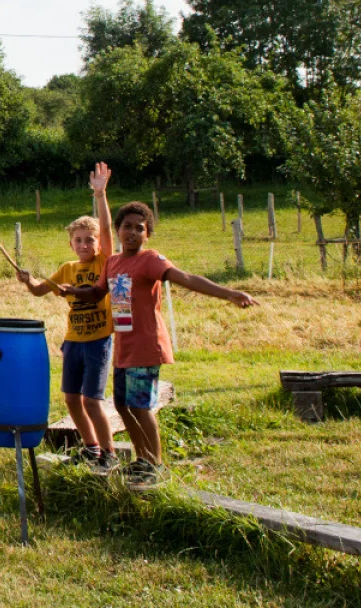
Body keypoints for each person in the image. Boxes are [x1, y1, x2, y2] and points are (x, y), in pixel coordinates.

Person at [94, 181, 258, 490]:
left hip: (146, 344)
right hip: (123, 346)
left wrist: (229, 294)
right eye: (127, 226)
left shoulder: (151, 260)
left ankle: (154, 464)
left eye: (139, 228)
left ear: (148, 234)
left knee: (140, 406)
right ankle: (142, 459)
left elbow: (186, 278)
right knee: (120, 404)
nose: (131, 232)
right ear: (118, 230)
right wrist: (58, 288)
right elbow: (95, 292)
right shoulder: (113, 262)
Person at [13, 164, 119, 474]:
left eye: (90, 239)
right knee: (72, 399)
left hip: (99, 340)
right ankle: (91, 448)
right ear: (70, 243)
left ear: (99, 244)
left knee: (91, 400)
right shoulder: (67, 268)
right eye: (79, 240)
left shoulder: (104, 263)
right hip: (73, 341)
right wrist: (27, 280)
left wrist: (100, 194)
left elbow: (109, 229)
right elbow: (38, 291)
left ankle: (109, 453)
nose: (85, 244)